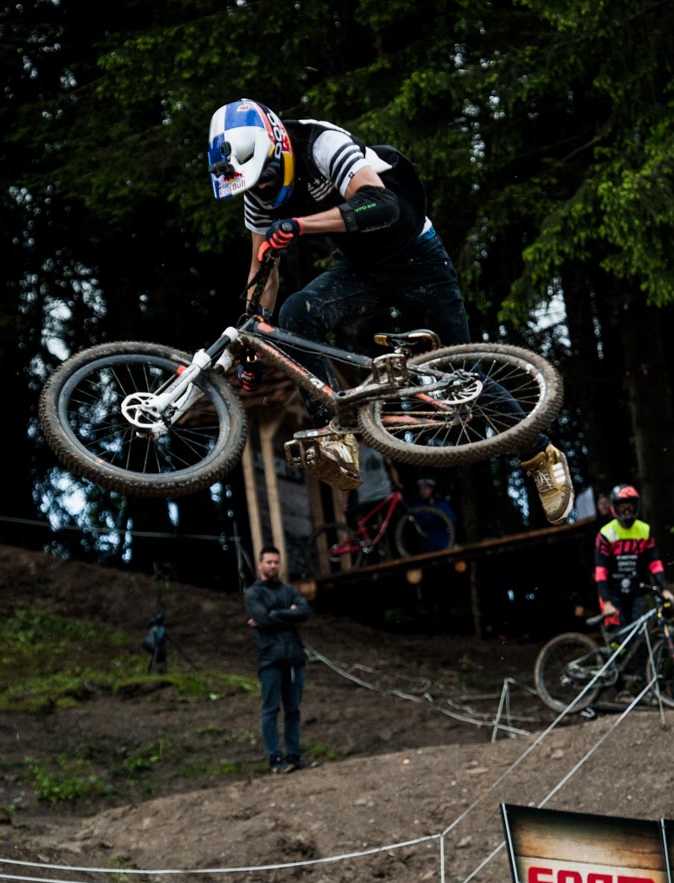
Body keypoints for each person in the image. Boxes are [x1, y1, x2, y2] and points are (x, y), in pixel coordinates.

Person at [207, 98, 573, 524]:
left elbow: (382, 206)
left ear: (277, 147)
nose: (263, 191)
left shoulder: (321, 143)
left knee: (465, 376)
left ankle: (539, 453)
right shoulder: (256, 190)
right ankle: (335, 430)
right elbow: (262, 270)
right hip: (363, 271)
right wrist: (253, 336)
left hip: (419, 258)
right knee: (296, 312)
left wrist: (302, 225)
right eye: (253, 187)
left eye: (266, 179)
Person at [245, 546, 310, 772]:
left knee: (293, 709)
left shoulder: (289, 589)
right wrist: (287, 614)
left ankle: (294, 756)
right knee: (271, 709)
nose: (273, 566)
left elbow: (304, 611)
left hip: (294, 658)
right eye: (269, 562)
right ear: (260, 564)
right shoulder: (253, 593)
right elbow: (262, 618)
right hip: (270, 659)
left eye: (276, 562)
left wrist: (276, 614)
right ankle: (275, 759)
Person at [592, 484, 673, 643]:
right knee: (618, 639)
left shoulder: (644, 530)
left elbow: (654, 563)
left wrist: (665, 589)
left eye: (630, 507)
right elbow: (600, 571)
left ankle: (640, 667)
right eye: (623, 508)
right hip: (612, 593)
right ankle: (612, 665)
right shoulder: (605, 534)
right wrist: (606, 602)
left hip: (636, 592)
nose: (627, 512)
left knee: (640, 638)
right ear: (615, 509)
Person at [408, 478, 456, 552]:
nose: (422, 491)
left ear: (432, 489)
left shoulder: (441, 504)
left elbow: (452, 521)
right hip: (426, 545)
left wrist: (438, 516)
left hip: (443, 542)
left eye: (425, 488)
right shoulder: (416, 507)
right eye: (420, 489)